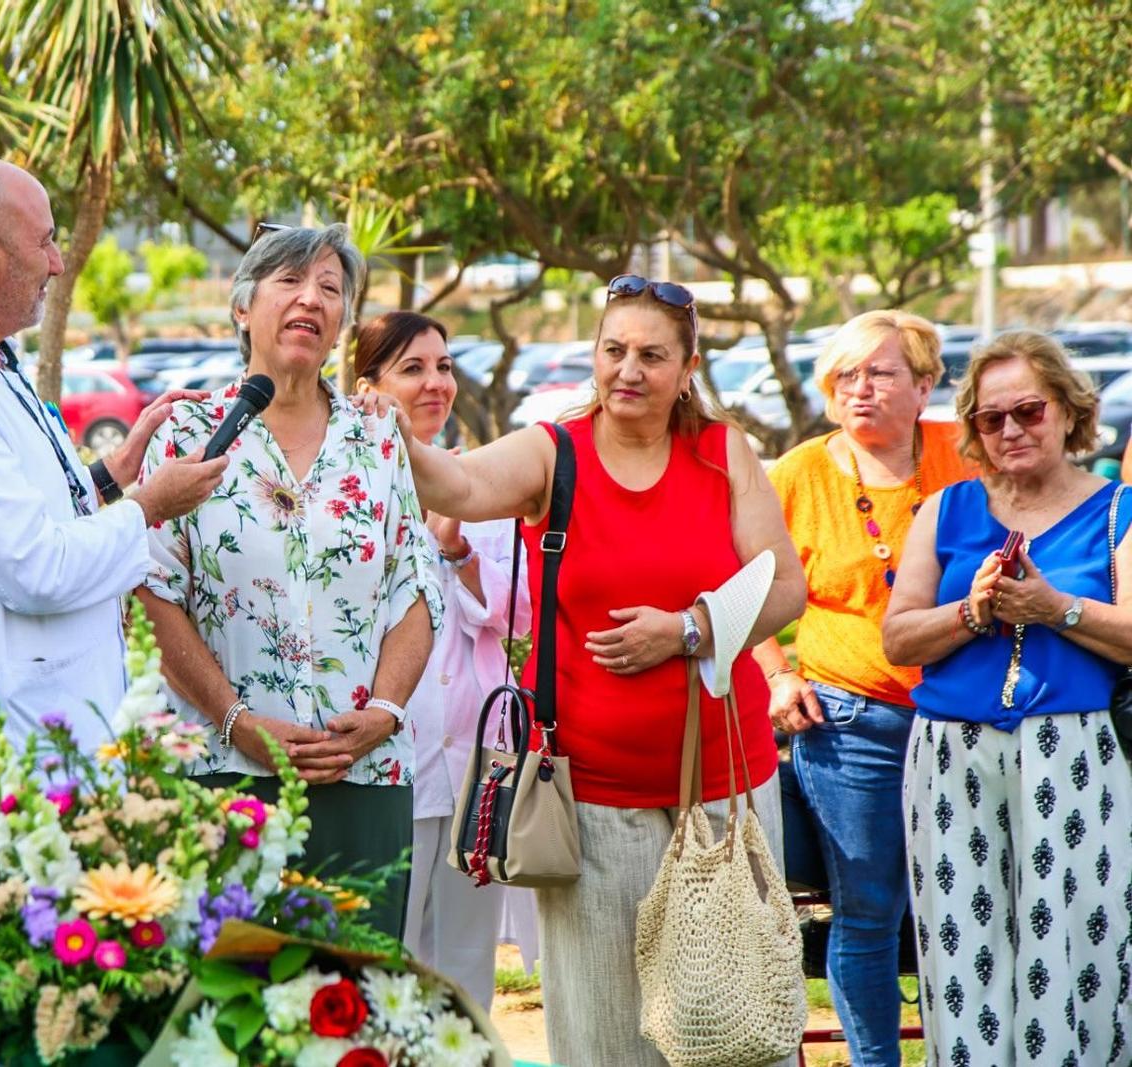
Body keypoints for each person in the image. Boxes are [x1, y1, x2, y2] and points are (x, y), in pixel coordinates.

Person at [351, 275, 806, 1065]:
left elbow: (784, 583)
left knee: (733, 1028)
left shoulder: (720, 450)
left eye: (652, 355)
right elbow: (459, 484)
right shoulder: (551, 451)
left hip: (725, 790)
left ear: (688, 366)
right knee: (602, 1033)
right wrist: (398, 436)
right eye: (613, 350)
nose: (628, 370)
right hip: (592, 801)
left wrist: (691, 629)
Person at [0, 156, 226, 914]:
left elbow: (20, 517)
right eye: (46, 243)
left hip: (31, 751)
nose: (59, 263)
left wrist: (112, 478)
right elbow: (33, 566)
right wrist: (150, 505)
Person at [134, 225, 440, 939]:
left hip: (362, 774)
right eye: (289, 282)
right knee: (229, 1014)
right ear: (242, 307)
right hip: (223, 775)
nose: (311, 299)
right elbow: (151, 594)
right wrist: (239, 722)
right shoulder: (188, 433)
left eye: (330, 288)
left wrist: (386, 711)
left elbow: (417, 585)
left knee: (358, 1011)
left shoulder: (377, 438)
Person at [883, 329, 1132, 1066]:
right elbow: (897, 639)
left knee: (1073, 940)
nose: (1012, 430)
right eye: (993, 419)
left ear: (1067, 410)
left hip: (1076, 751)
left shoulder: (1117, 509)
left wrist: (1056, 607)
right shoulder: (946, 510)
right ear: (975, 429)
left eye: (1028, 410)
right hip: (951, 752)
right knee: (962, 947)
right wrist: (973, 611)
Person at [752, 311, 971, 1067]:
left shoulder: (966, 454)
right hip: (849, 722)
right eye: (846, 375)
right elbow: (736, 593)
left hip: (965, 718)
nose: (861, 389)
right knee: (869, 909)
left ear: (923, 383)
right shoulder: (798, 473)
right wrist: (779, 677)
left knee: (968, 902)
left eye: (880, 372)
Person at [352, 311, 533, 1007]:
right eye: (413, 369)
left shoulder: (481, 481)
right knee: (387, 954)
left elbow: (520, 612)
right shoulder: (349, 482)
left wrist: (457, 552)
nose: (436, 384)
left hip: (474, 762)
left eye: (445, 366)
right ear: (369, 386)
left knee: (465, 964)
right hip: (387, 754)